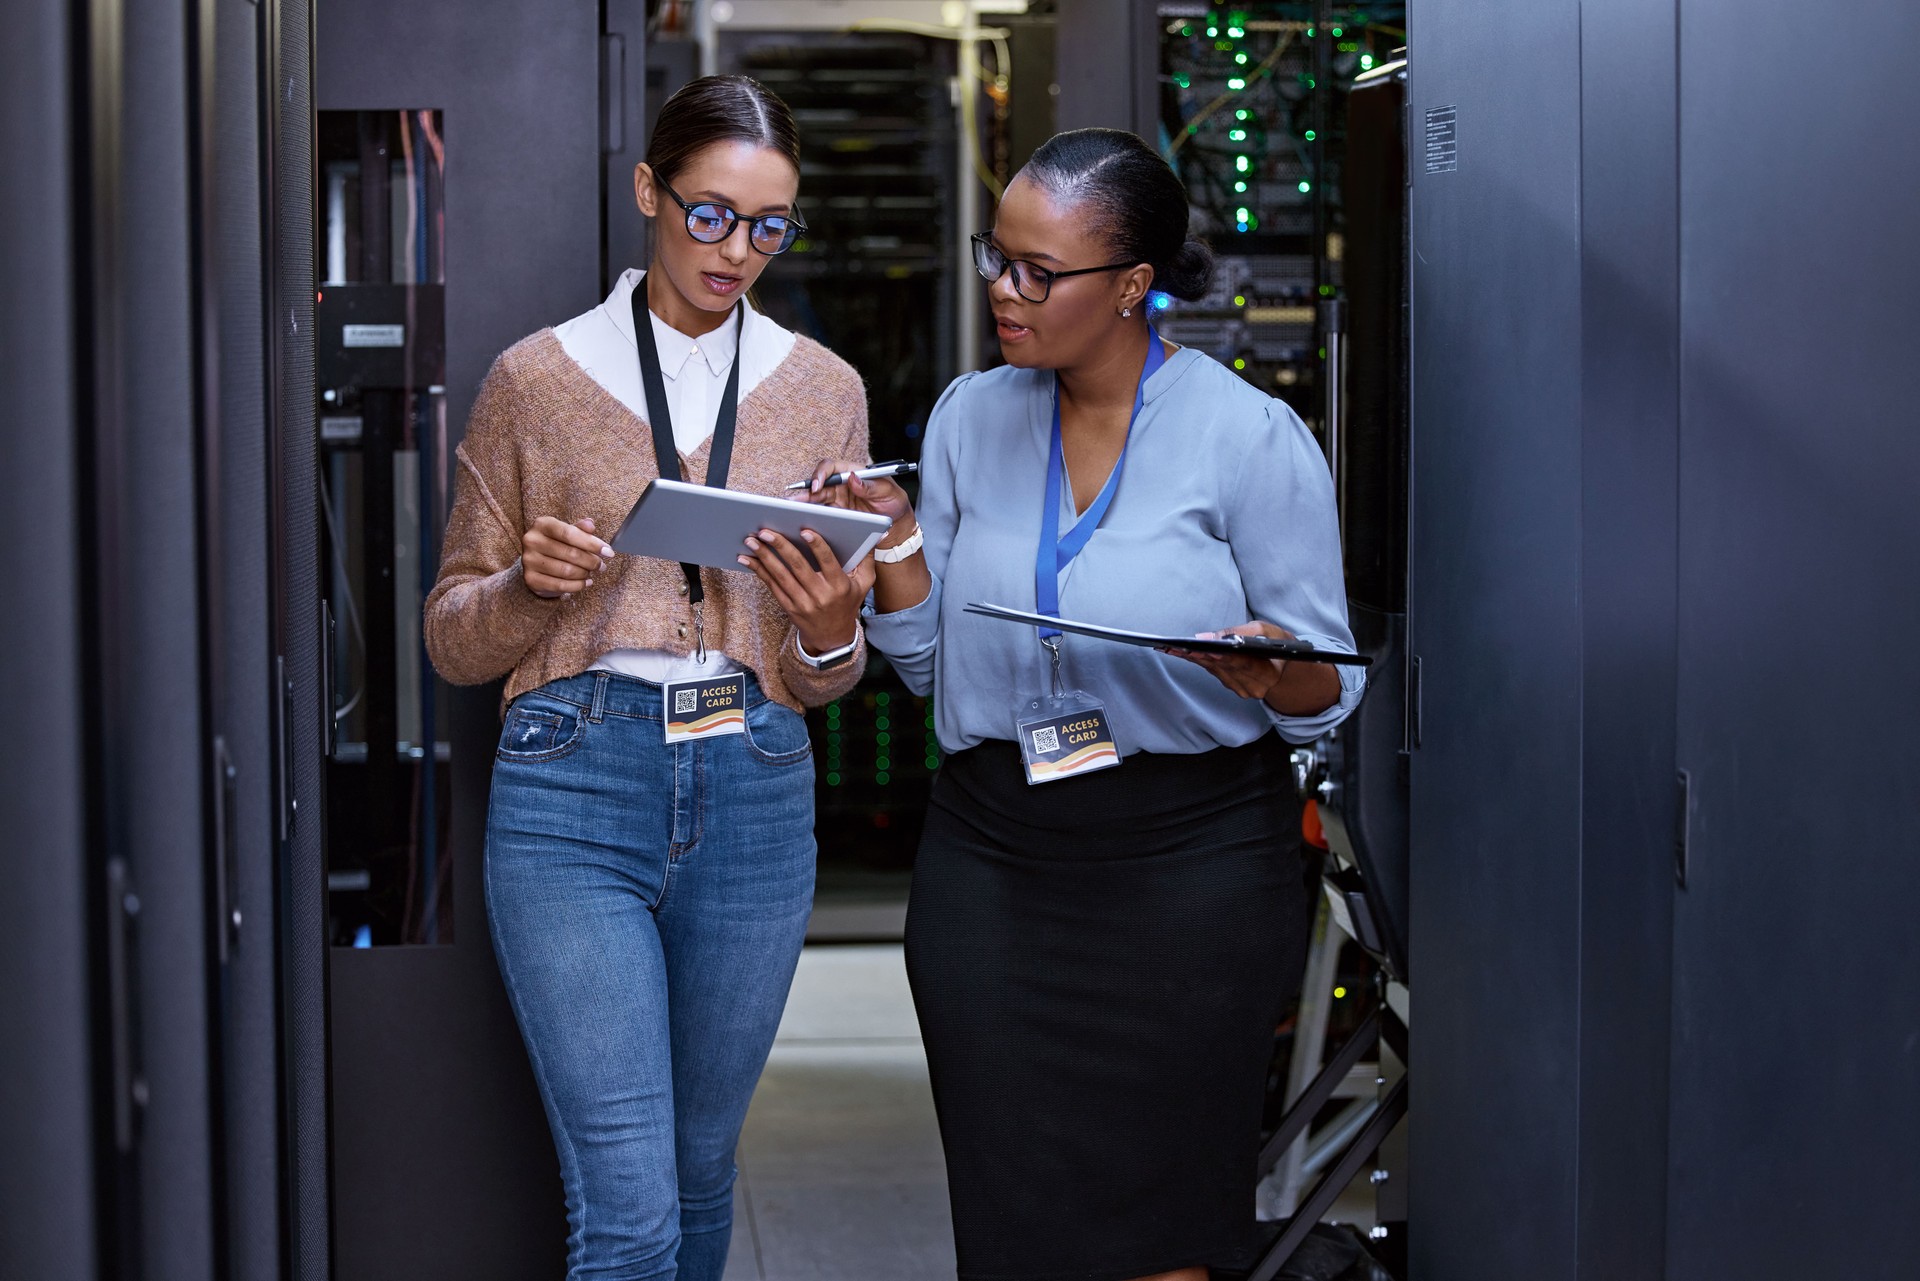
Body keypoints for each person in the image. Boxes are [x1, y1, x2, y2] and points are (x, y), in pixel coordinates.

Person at [805, 127, 1366, 1281]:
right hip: (995, 858)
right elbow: (929, 666)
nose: (1005, 293)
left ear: (1131, 289)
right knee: (1016, 1220)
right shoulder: (970, 416)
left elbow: (1329, 687)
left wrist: (1271, 666)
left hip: (1191, 862)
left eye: (1038, 273)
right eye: (996, 258)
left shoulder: (1249, 437)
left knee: (1164, 1224)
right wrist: (895, 548)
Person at [423, 75, 872, 1281]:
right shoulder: (538, 379)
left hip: (757, 786)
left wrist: (830, 630)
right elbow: (454, 641)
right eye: (711, 215)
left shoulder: (822, 388)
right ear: (647, 192)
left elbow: (827, 676)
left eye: (771, 226)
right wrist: (528, 586)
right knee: (627, 1201)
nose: (739, 251)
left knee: (696, 1163)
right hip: (575, 783)